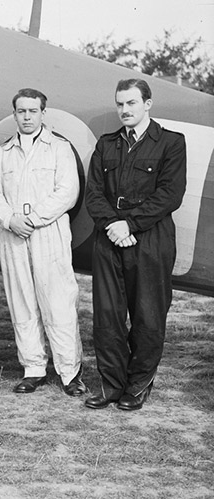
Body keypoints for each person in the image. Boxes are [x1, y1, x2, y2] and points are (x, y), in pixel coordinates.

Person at [84, 78, 186, 411]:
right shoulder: (106, 144)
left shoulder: (170, 143)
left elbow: (170, 195)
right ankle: (112, 385)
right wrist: (113, 225)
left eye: (131, 103)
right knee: (108, 316)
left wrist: (129, 223)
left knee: (148, 316)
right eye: (120, 104)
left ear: (147, 104)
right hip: (110, 237)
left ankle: (139, 384)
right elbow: (94, 193)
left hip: (150, 239)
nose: (124, 110)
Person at [0, 88, 85, 396]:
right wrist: (10, 220)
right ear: (14, 114)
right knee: (22, 301)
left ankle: (69, 373)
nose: (26, 117)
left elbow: (67, 191)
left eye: (32, 111)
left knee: (58, 301)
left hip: (47, 232)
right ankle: (33, 368)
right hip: (12, 233)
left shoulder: (58, 148)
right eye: (21, 111)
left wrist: (34, 218)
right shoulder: (4, 152)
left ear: (43, 113)